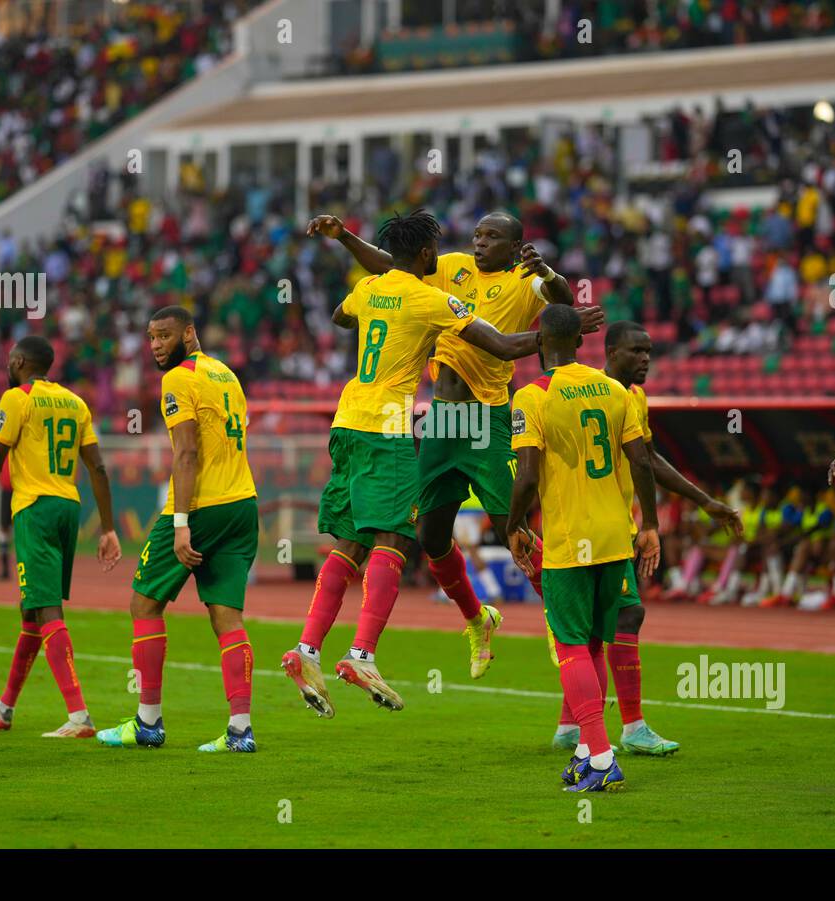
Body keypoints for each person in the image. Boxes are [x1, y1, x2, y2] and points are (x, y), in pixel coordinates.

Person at [284, 210, 600, 717]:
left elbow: (560, 304)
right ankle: (478, 621)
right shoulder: (446, 270)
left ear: (516, 245)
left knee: (511, 526)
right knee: (427, 536)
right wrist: (346, 237)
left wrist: (553, 285)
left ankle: (560, 628)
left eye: (491, 236)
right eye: (476, 233)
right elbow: (394, 263)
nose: (478, 242)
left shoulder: (524, 281)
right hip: (439, 420)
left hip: (485, 419)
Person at [549, 320, 741, 755]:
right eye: (637, 351)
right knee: (624, 618)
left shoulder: (633, 397)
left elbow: (647, 459)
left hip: (612, 527)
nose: (645, 360)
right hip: (592, 529)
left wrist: (705, 501)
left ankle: (569, 725)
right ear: (611, 352)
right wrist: (652, 524)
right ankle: (632, 727)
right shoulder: (596, 393)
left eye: (650, 352)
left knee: (599, 630)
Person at [507, 305, 662, 792]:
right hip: (617, 536)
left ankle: (600, 757)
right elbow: (642, 462)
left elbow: (528, 474)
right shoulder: (617, 391)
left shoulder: (532, 397)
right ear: (580, 341)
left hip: (570, 542)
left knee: (572, 645)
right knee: (596, 642)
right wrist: (650, 525)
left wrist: (512, 524)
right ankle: (584, 751)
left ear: (539, 340)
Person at [97, 306, 261, 753]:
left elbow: (187, 453)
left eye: (164, 336)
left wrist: (182, 524)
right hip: (242, 503)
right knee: (227, 616)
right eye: (151, 337)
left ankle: (148, 721)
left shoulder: (178, 379)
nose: (155, 345)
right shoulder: (226, 374)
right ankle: (240, 731)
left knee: (144, 604)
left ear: (189, 333)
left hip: (200, 506)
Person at [0, 335, 122, 738]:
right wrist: (107, 527)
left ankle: (79, 715)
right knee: (32, 611)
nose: (6, 366)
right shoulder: (76, 403)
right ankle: (5, 707)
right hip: (68, 507)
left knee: (48, 611)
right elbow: (98, 468)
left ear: (20, 361)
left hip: (34, 507)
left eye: (9, 360)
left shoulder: (17, 399)